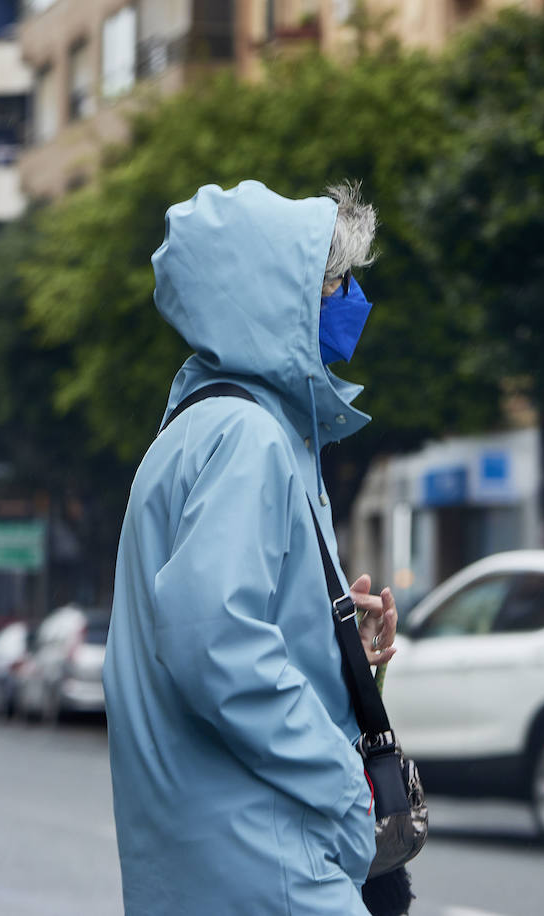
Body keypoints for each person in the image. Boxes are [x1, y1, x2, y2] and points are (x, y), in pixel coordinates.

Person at [103, 180, 397, 915]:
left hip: (216, 863)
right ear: (278, 296)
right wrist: (342, 789)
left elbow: (222, 627)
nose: (350, 300)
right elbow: (213, 643)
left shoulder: (197, 434)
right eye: (336, 282)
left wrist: (334, 643)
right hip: (266, 864)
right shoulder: (248, 439)